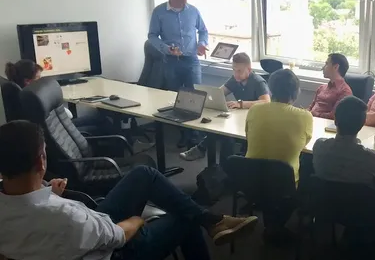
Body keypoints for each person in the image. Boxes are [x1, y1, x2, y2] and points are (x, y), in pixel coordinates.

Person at [0, 120, 258, 260]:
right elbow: (117, 236)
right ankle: (209, 221)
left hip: (80, 233)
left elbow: (32, 219)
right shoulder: (63, 218)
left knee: (143, 175)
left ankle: (214, 221)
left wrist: (52, 195)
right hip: (114, 248)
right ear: (41, 161)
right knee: (183, 217)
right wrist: (136, 221)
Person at [245, 69, 313, 241]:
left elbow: (247, 135)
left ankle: (271, 224)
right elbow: (303, 145)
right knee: (308, 166)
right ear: (296, 92)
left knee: (270, 170)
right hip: (285, 185)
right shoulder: (304, 116)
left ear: (270, 89)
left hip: (251, 180)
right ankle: (278, 226)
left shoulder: (254, 110)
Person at [148, 0, 209, 148]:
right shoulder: (159, 12)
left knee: (197, 97)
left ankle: (196, 136)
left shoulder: (193, 11)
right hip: (171, 61)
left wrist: (202, 44)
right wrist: (166, 48)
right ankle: (184, 134)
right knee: (178, 99)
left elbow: (203, 31)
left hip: (192, 60)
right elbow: (152, 36)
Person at [179, 52, 270, 161]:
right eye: (234, 70)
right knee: (220, 128)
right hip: (241, 118)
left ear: (249, 70)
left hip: (257, 119)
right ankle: (211, 157)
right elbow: (219, 92)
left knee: (226, 133)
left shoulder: (258, 82)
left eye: (239, 71)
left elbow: (266, 102)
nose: (236, 74)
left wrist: (241, 104)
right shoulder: (235, 79)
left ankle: (201, 149)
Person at [312, 96, 375, 190]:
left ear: (335, 121)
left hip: (322, 202)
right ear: (362, 125)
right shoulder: (373, 159)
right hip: (359, 204)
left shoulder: (320, 147)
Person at [5, 60, 71, 118]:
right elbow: (69, 115)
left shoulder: (18, 96)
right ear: (27, 81)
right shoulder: (36, 100)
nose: (40, 80)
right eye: (38, 77)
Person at [308, 53, 353, 119]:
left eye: (326, 64)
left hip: (324, 125)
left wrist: (315, 114)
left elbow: (334, 116)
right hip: (311, 120)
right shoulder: (321, 88)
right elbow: (310, 108)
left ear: (335, 67)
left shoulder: (345, 92)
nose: (322, 68)